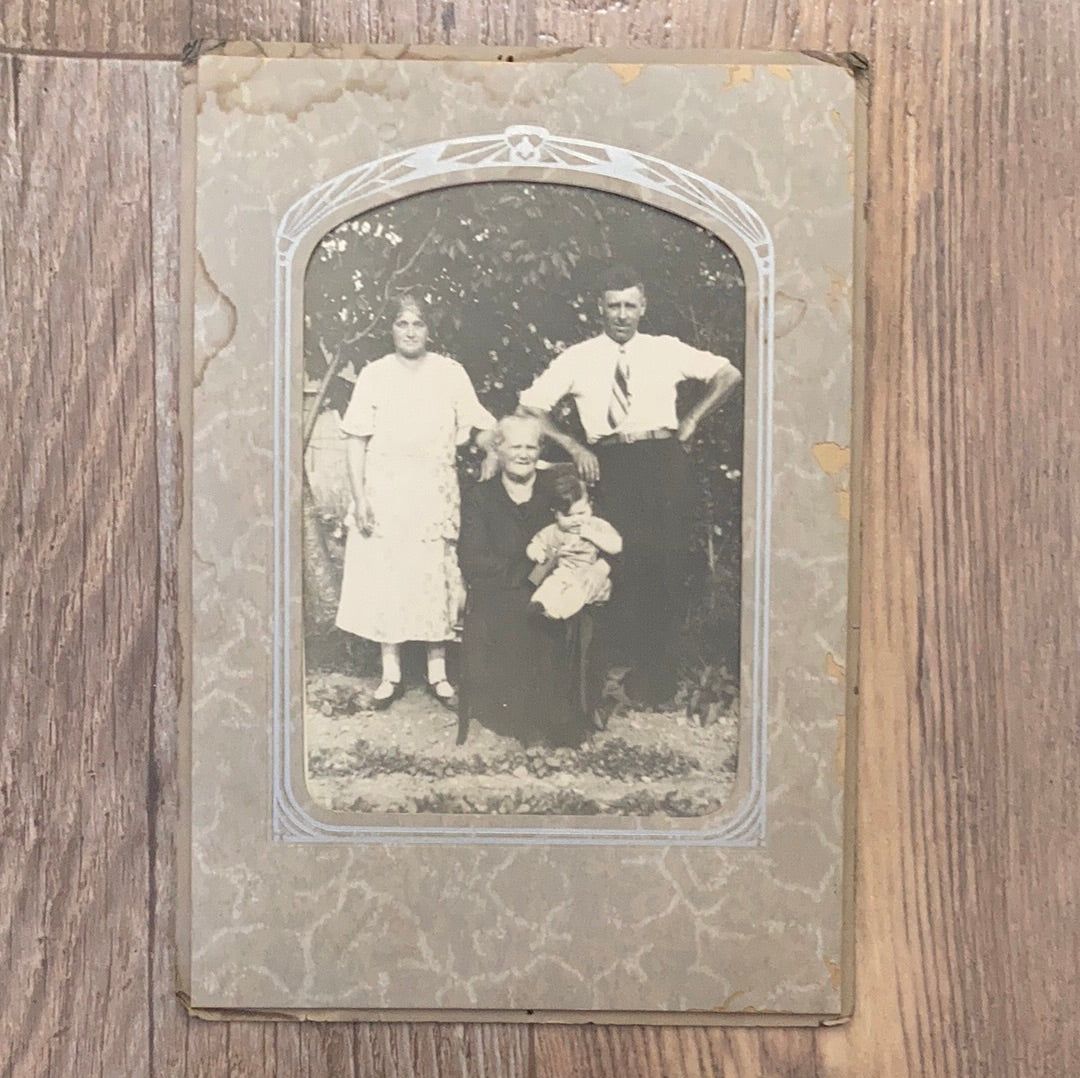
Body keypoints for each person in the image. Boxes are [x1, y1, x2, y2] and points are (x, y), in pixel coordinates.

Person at [519, 265, 742, 706]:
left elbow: (729, 374)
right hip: (610, 462)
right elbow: (530, 406)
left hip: (663, 460)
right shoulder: (579, 357)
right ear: (599, 309)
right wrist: (573, 445)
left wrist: (693, 417)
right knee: (617, 561)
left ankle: (657, 680)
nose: (621, 314)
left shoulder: (665, 349)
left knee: (666, 563)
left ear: (643, 308)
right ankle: (604, 674)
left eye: (630, 305)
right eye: (613, 305)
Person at [334, 294, 496, 709]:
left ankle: (438, 674)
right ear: (391, 329)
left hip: (434, 488)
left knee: (433, 574)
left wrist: (492, 455)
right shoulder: (374, 374)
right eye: (402, 323)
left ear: (428, 329)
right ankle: (391, 675)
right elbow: (356, 439)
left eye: (418, 324)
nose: (410, 331)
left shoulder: (450, 373)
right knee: (390, 574)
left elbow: (479, 425)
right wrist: (360, 496)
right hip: (386, 488)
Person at [457, 415, 598, 747]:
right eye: (515, 446)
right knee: (521, 611)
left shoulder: (556, 488)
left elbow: (589, 531)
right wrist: (527, 576)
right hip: (499, 590)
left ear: (540, 450)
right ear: (499, 449)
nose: (523, 454)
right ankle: (528, 721)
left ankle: (562, 717)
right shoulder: (480, 495)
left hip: (555, 585)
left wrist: (597, 570)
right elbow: (473, 558)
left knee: (557, 611)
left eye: (531, 447)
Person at [526, 473, 622, 620]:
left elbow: (617, 546)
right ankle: (539, 604)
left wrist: (592, 535)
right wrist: (536, 553)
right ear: (556, 514)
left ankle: (556, 613)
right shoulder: (554, 531)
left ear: (590, 506)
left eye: (581, 513)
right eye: (568, 516)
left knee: (577, 592)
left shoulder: (596, 525)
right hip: (563, 573)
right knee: (551, 584)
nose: (576, 520)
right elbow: (534, 545)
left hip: (588, 576)